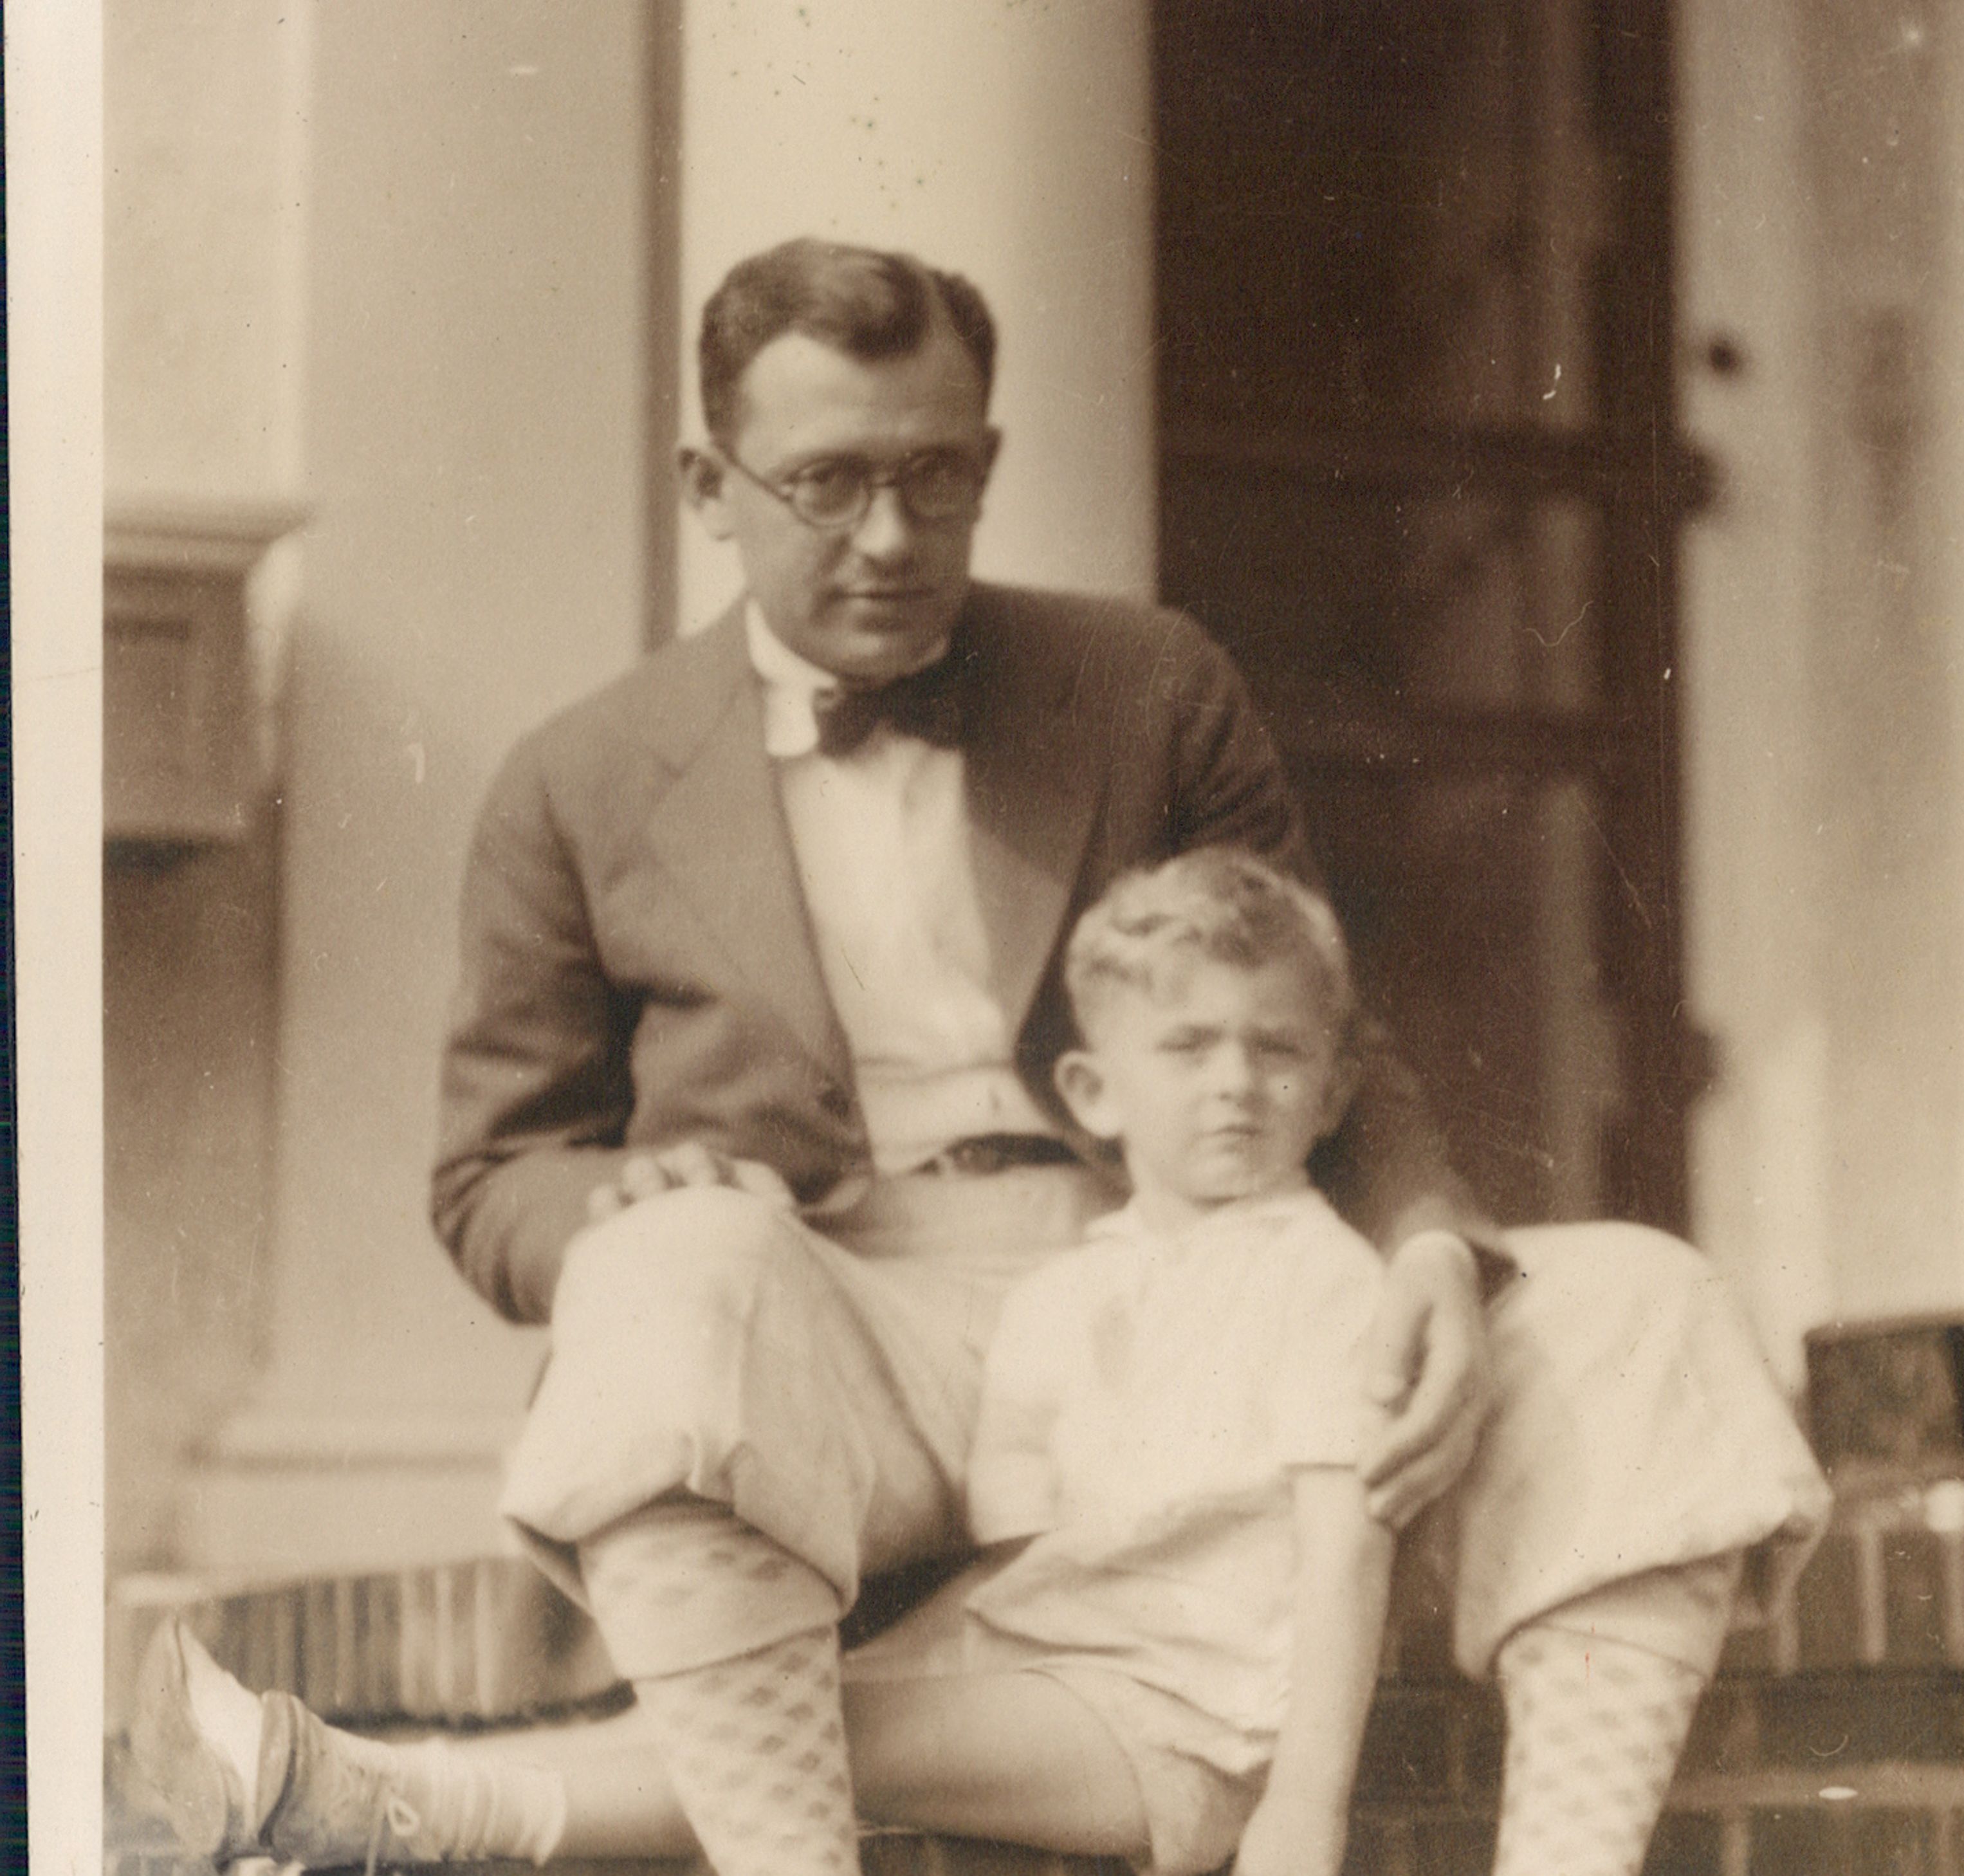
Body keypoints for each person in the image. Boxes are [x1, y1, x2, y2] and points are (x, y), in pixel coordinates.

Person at [419, 237, 1822, 1876]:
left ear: (992, 464)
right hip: (834, 1326)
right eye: (826, 484)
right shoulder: (576, 779)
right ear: (706, 484)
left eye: (937, 479)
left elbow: (1320, 1029)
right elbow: (489, 1175)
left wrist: (1431, 1244)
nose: (888, 537)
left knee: (1639, 1307)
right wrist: (615, 1199)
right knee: (670, 1271)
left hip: (1178, 1286)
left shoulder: (1146, 688)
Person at [128, 851, 1398, 1876]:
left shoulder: (1328, 1278)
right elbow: (1015, 1557)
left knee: (792, 1730)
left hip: (1195, 1721)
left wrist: (1307, 1808)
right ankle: (349, 1799)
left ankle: (372, 1793)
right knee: (756, 1709)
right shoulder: (1064, 1296)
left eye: (1275, 1047)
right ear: (1092, 1089)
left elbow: (1348, 1553)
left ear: (1334, 1086)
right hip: (1049, 1671)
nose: (1235, 1082)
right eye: (1187, 1046)